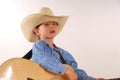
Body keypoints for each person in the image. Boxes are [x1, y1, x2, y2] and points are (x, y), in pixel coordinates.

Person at [21, 7, 105, 80]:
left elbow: (75, 71)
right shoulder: (39, 46)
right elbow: (44, 60)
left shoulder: (63, 53)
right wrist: (65, 70)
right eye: (46, 24)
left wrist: (91, 79)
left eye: (54, 24)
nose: (51, 26)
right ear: (37, 31)